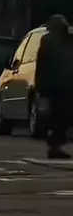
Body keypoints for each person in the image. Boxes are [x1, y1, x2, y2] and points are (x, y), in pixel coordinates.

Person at [35, 14, 73, 159]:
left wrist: (40, 86)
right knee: (59, 117)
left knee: (58, 117)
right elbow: (43, 65)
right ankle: (55, 145)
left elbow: (41, 65)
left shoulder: (50, 41)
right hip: (59, 86)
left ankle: (55, 145)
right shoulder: (56, 41)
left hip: (57, 86)